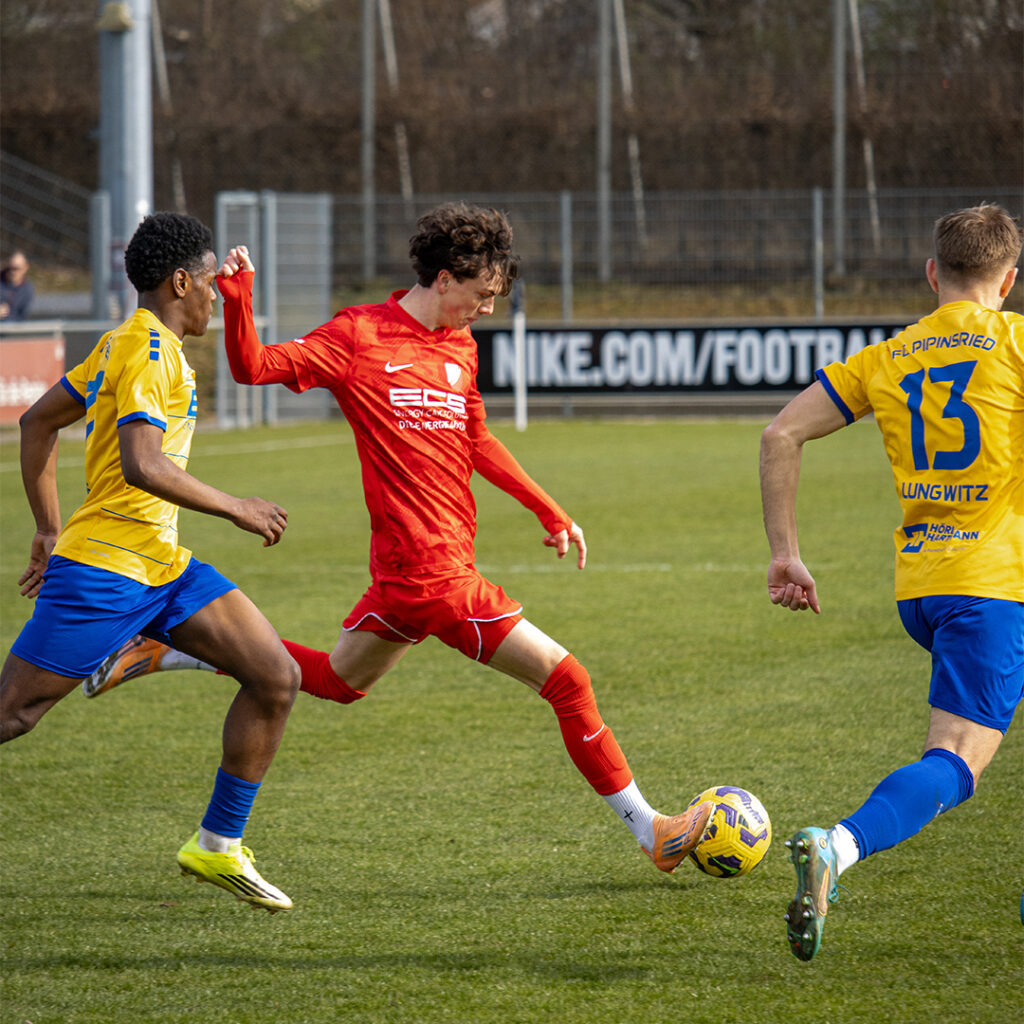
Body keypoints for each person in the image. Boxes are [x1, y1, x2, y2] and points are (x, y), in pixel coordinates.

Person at [85, 201, 714, 873]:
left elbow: (475, 438)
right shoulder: (359, 337)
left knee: (335, 680)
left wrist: (547, 507)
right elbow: (255, 366)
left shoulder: (459, 346)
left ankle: (167, 649)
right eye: (482, 294)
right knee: (570, 683)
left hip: (405, 578)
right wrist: (239, 301)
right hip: (436, 578)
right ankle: (655, 832)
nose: (488, 309)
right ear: (446, 278)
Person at [0, 212, 301, 913]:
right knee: (12, 715)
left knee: (273, 675)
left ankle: (218, 845)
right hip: (106, 572)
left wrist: (47, 530)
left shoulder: (122, 343)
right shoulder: (146, 351)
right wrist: (236, 506)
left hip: (161, 564)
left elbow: (36, 421)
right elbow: (141, 463)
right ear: (180, 280)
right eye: (210, 285)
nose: (216, 298)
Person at [759, 203, 1023, 961]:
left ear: (934, 273)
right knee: (960, 756)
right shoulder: (1015, 344)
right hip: (992, 583)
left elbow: (781, 433)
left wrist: (786, 553)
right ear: (1008, 280)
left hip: (924, 587)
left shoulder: (890, 355)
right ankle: (837, 847)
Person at [0, 250, 35, 321]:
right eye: (9, 268)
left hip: (13, 329)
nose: (12, 272)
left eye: (16, 269)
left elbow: (22, 317)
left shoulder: (27, 289)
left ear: (25, 268)